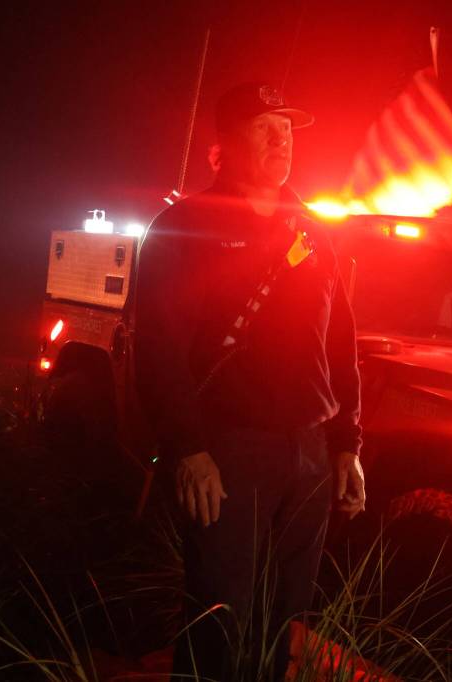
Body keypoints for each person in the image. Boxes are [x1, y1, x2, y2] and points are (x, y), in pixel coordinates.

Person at [135, 82, 365, 681]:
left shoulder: (315, 230)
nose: (280, 140)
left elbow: (339, 339)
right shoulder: (186, 225)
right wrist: (188, 447)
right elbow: (158, 344)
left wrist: (347, 442)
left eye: (286, 128)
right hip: (227, 450)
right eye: (263, 127)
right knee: (219, 612)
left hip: (308, 453)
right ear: (227, 141)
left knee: (285, 617)